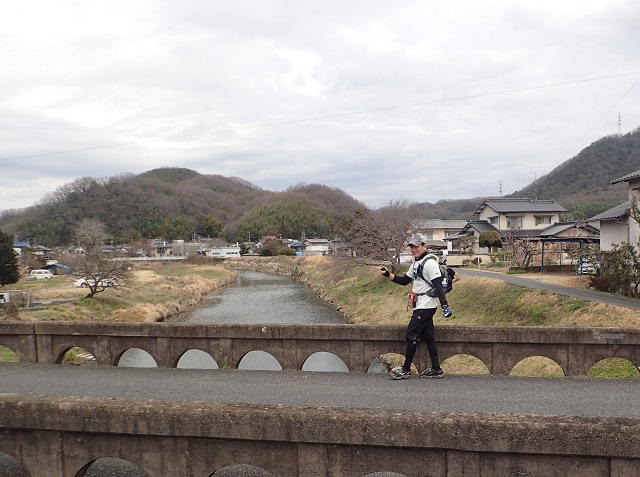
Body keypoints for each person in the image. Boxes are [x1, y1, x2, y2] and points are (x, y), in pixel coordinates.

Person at [379, 234, 452, 380]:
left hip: (426, 306)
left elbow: (438, 285)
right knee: (429, 336)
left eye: (416, 246)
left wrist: (445, 305)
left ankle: (406, 369)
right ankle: (436, 369)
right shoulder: (416, 264)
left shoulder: (430, 263)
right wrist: (388, 275)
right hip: (421, 305)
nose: (414, 249)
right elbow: (405, 281)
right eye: (412, 247)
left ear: (424, 246)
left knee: (411, 335)